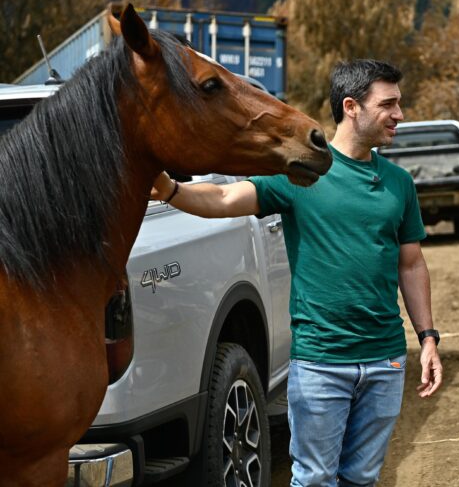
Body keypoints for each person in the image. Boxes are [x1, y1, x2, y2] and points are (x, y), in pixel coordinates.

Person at [151, 59, 442, 487]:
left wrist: (428, 338)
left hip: (385, 360)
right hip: (322, 363)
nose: (400, 114)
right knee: (315, 479)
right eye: (389, 104)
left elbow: (411, 263)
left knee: (361, 478)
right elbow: (226, 197)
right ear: (352, 107)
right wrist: (171, 190)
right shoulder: (301, 172)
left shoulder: (398, 182)